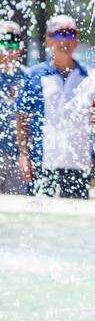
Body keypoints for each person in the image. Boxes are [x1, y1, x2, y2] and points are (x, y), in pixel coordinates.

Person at [16, 15, 94, 199]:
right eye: (58, 34)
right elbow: (22, 118)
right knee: (40, 223)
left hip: (78, 163)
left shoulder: (88, 76)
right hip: (43, 161)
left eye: (70, 34)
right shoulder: (35, 75)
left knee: (77, 223)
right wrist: (24, 155)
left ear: (76, 39)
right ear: (48, 40)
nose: (65, 40)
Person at [0, 21, 28, 194]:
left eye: (14, 41)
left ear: (21, 47)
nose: (9, 46)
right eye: (4, 41)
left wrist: (25, 154)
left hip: (17, 156)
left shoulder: (28, 77)